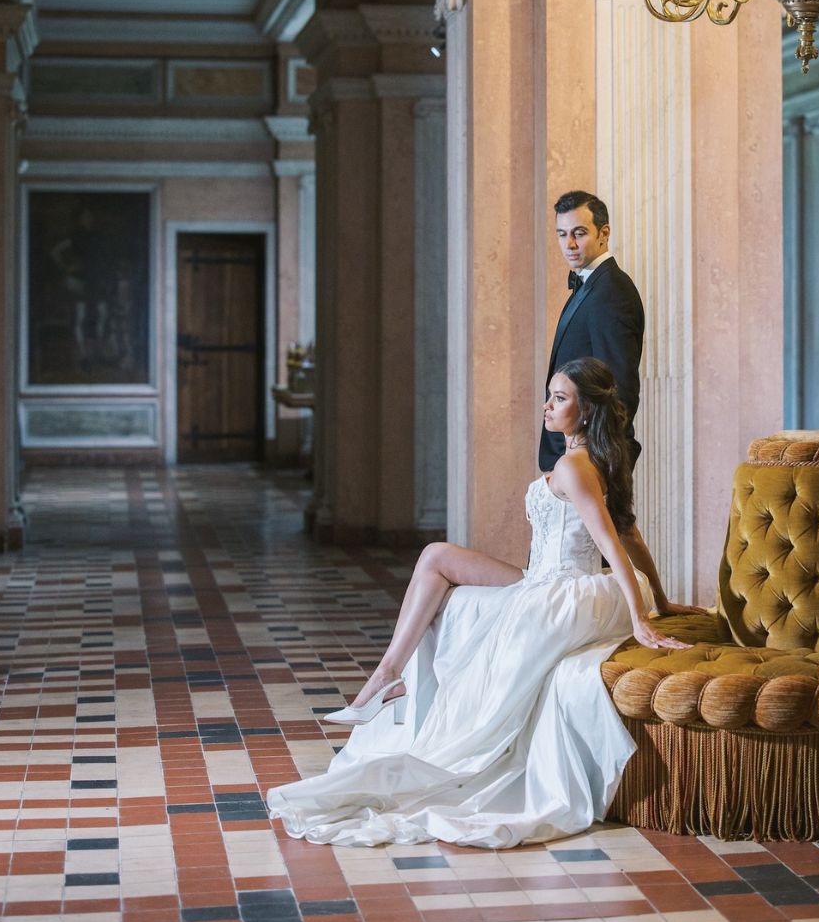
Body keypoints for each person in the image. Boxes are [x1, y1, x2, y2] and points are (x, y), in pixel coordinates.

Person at [267, 357, 690, 849]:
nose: (547, 406)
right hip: (543, 578)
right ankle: (387, 674)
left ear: (588, 410)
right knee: (436, 556)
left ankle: (386, 676)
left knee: (441, 572)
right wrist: (662, 600)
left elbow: (613, 543)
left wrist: (642, 618)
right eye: (549, 396)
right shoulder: (592, 460)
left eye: (559, 399)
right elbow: (631, 532)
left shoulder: (574, 466)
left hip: (562, 589)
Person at [543, 190, 702, 617]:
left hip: (591, 452)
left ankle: (632, 626)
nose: (569, 244)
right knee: (578, 573)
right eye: (561, 234)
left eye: (579, 233)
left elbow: (620, 388)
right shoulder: (589, 286)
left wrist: (596, 456)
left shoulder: (611, 291)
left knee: (592, 573)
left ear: (604, 232)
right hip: (572, 451)